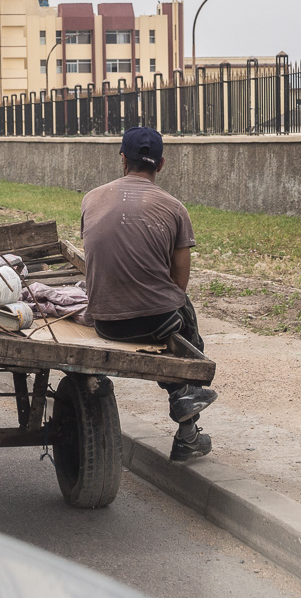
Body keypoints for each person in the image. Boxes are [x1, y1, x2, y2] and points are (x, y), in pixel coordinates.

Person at [80, 126, 218, 462]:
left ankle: (184, 396)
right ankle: (187, 422)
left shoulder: (91, 198)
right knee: (183, 314)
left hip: (104, 323)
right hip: (155, 320)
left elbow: (95, 255)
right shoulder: (174, 208)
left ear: (122, 159)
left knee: (171, 310)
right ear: (162, 164)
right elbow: (179, 283)